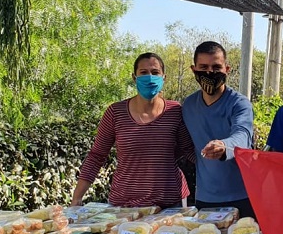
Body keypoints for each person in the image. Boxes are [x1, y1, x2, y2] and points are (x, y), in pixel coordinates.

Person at [72, 52, 194, 209]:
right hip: (125, 205)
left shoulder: (175, 111)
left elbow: (189, 150)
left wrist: (221, 156)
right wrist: (77, 197)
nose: (149, 77)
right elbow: (97, 155)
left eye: (155, 72)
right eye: (143, 72)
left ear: (164, 77)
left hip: (170, 204)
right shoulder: (115, 112)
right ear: (134, 77)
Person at [182, 41, 255, 218]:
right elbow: (184, 143)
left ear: (227, 69)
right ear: (194, 70)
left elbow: (243, 135)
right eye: (203, 67)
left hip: (242, 197)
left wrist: (224, 146)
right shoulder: (189, 105)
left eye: (216, 67)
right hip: (204, 199)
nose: (209, 72)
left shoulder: (239, 103)